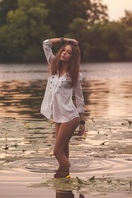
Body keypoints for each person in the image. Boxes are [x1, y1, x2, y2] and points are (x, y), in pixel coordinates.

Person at [40, 37, 85, 178]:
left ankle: (66, 173)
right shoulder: (54, 65)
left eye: (69, 52)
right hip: (58, 116)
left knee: (57, 152)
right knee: (63, 152)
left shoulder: (75, 75)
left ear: (73, 57)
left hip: (70, 116)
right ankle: (64, 188)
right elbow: (46, 44)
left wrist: (82, 121)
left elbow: (79, 98)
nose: (64, 53)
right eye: (64, 50)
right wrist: (66, 39)